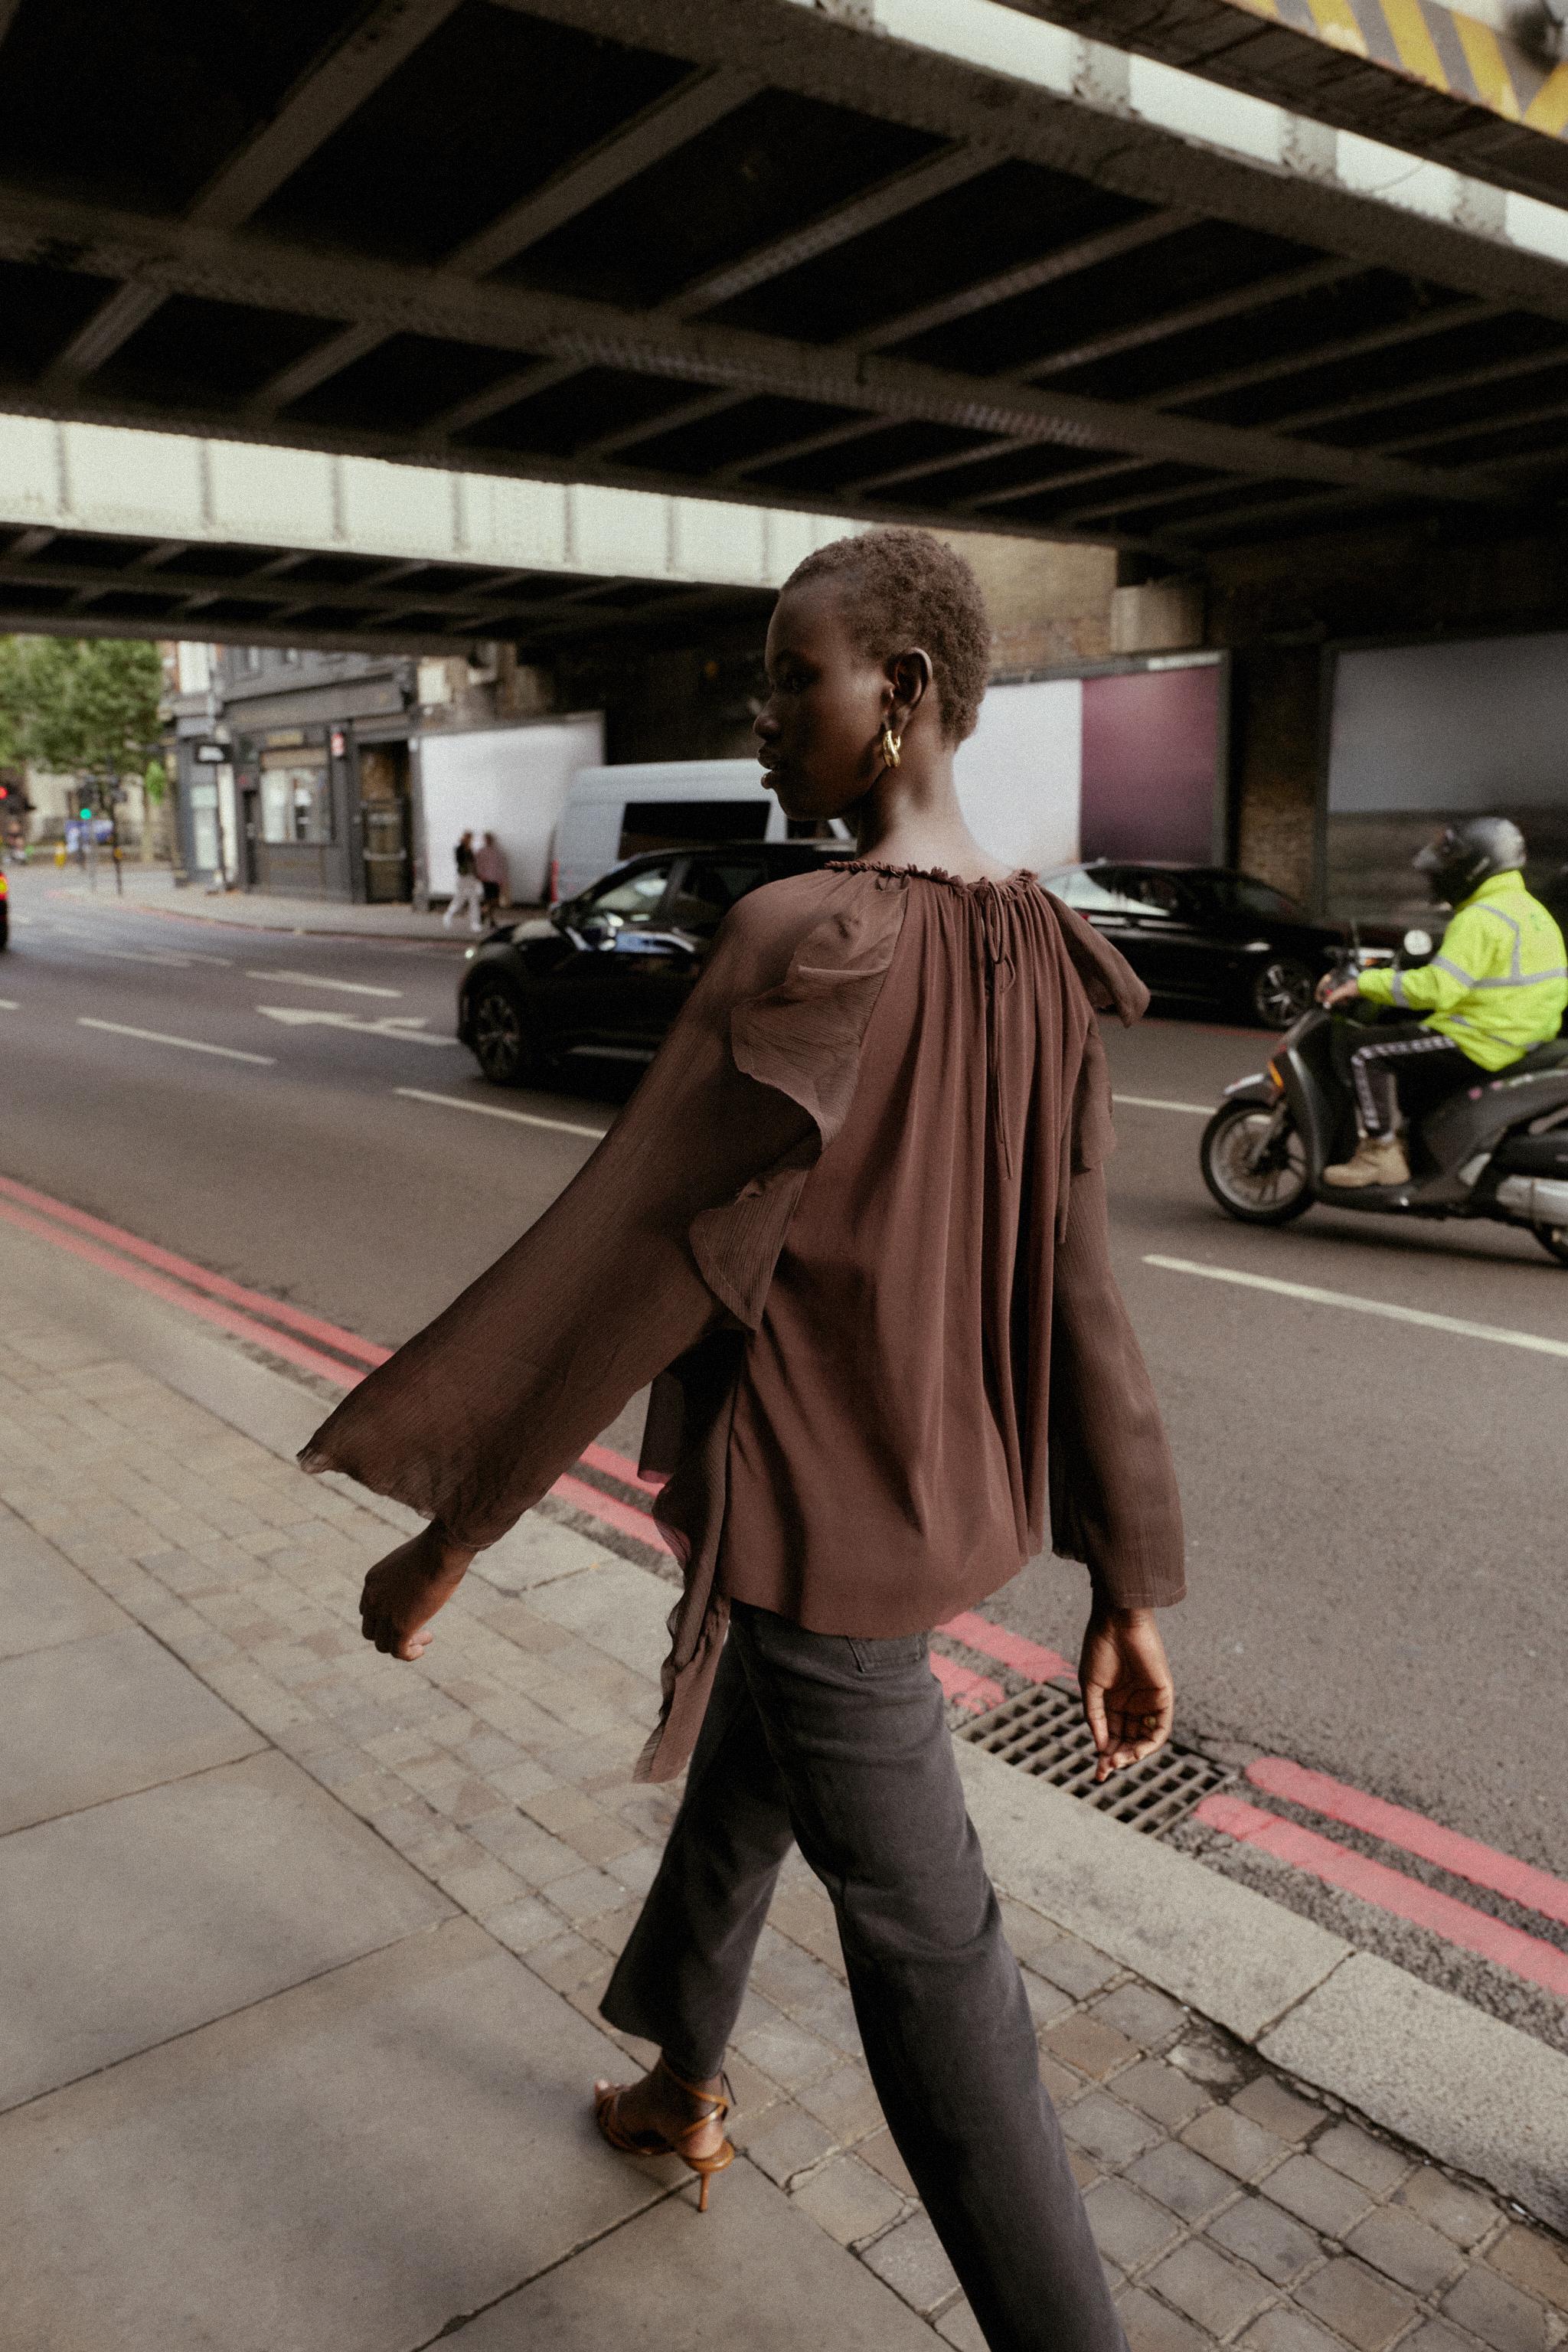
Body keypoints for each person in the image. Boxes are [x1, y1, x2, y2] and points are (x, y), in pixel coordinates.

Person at [300, 529, 1184, 2352]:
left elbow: (635, 1260)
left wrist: (451, 1530)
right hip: (928, 1507)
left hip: (813, 1525)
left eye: (795, 676)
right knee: (746, 1780)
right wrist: (1125, 1575)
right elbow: (1077, 1293)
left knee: (940, 1970)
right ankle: (682, 2081)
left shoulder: (804, 939)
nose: (763, 714)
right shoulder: (1039, 946)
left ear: (902, 693)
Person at [1318, 816, 1568, 1187]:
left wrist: (1363, 984)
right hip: (1525, 1036)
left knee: (1364, 1052)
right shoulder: (1530, 911)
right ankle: (1414, 1144)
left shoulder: (1480, 918)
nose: (1438, 878)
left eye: (1447, 868)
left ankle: (1380, 1154)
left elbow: (1438, 989)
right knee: (1413, 1053)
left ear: (1474, 869)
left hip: (1482, 1038)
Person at [442, 828, 485, 933]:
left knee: (473, 900)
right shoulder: (459, 848)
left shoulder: (470, 850)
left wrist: (477, 875)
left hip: (471, 877)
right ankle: (449, 914)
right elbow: (460, 861)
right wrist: (465, 848)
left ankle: (475, 923)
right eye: (468, 837)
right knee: (460, 899)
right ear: (464, 838)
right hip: (462, 877)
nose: (469, 840)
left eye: (470, 838)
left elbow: (473, 864)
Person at [473, 829, 509, 916]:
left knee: (495, 900)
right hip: (486, 879)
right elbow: (477, 865)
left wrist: (502, 879)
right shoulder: (481, 851)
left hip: (496, 879)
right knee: (488, 898)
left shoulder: (497, 852)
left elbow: (501, 866)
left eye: (489, 839)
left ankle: (483, 911)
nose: (488, 841)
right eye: (486, 839)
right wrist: (479, 876)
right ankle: (490, 918)